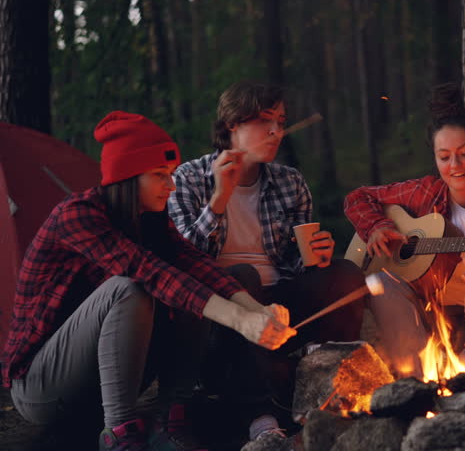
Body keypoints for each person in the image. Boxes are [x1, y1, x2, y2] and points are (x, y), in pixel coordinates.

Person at [1, 111, 295, 451]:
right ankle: (119, 434)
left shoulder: (150, 218)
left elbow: (195, 264)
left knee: (210, 278)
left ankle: (172, 417)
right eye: (159, 176)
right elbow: (147, 271)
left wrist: (258, 310)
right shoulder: (77, 215)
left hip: (107, 374)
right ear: (126, 179)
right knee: (129, 289)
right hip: (43, 387)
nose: (171, 186)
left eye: (170, 175)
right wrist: (238, 320)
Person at [167, 81, 364, 439]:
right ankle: (261, 415)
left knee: (346, 273)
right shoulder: (189, 179)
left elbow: (294, 264)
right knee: (241, 276)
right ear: (232, 125)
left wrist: (315, 257)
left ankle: (330, 377)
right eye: (264, 121)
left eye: (281, 121)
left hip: (280, 307)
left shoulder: (289, 182)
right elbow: (184, 263)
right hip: (222, 318)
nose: (277, 131)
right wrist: (219, 199)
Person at [343, 83, 465, 377]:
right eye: (444, 156)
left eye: (464, 153)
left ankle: (455, 377)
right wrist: (378, 226)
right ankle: (422, 378)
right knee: (378, 280)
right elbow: (358, 198)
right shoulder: (424, 192)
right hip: (419, 325)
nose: (454, 166)